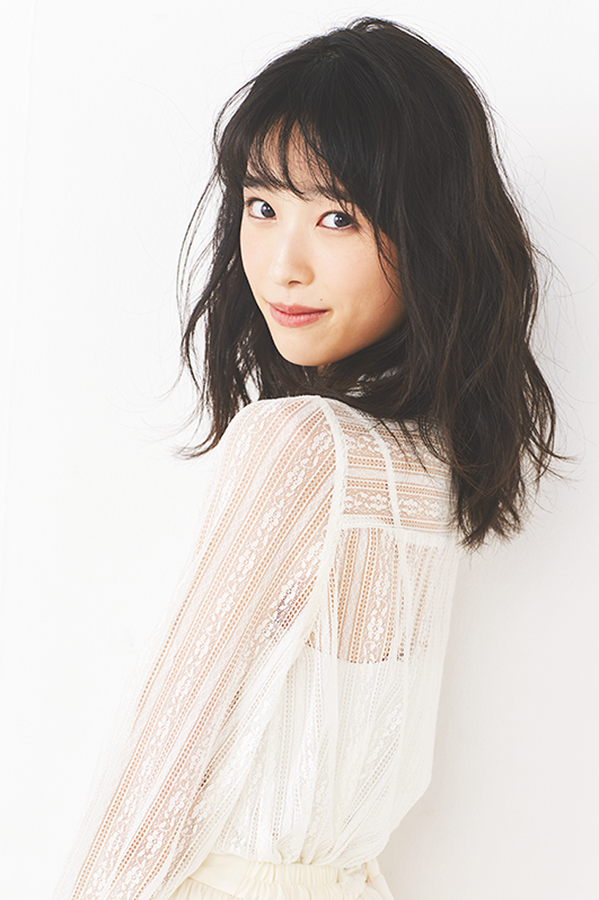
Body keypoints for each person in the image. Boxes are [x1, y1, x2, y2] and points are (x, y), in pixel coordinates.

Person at [54, 17, 558, 900]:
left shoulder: (300, 445)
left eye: (336, 216)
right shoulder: (425, 463)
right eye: (261, 206)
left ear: (429, 233)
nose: (282, 265)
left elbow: (163, 761)